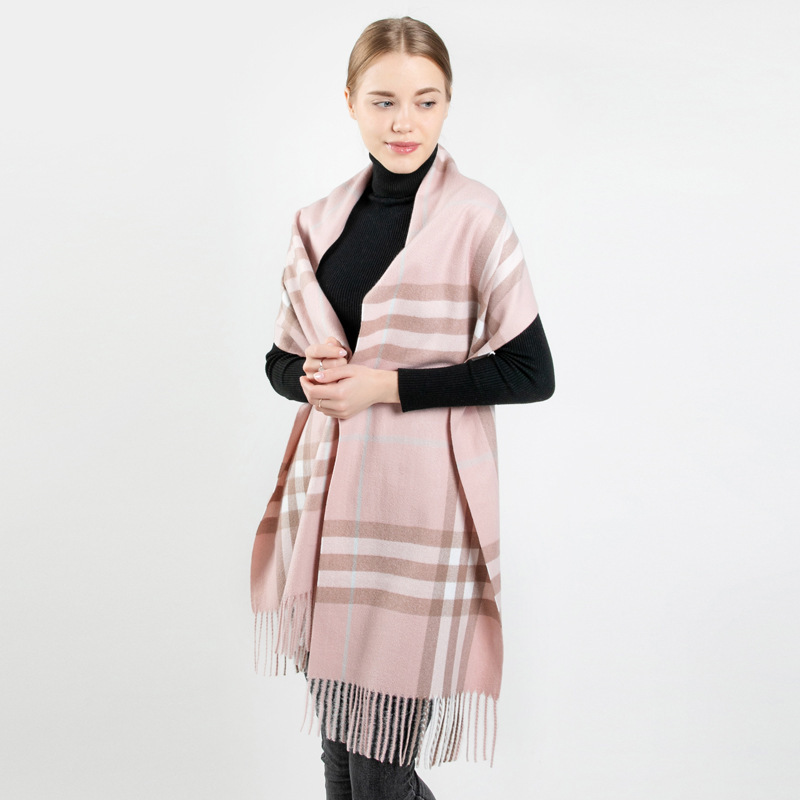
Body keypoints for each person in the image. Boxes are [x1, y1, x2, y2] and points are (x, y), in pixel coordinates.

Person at [251, 17, 555, 800]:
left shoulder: (474, 216)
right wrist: (310, 378)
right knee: (340, 763)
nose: (404, 123)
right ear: (351, 102)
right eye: (383, 101)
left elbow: (530, 371)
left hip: (419, 521)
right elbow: (278, 362)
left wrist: (381, 386)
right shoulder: (319, 223)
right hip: (327, 519)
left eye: (426, 101)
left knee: (380, 775)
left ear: (448, 102)